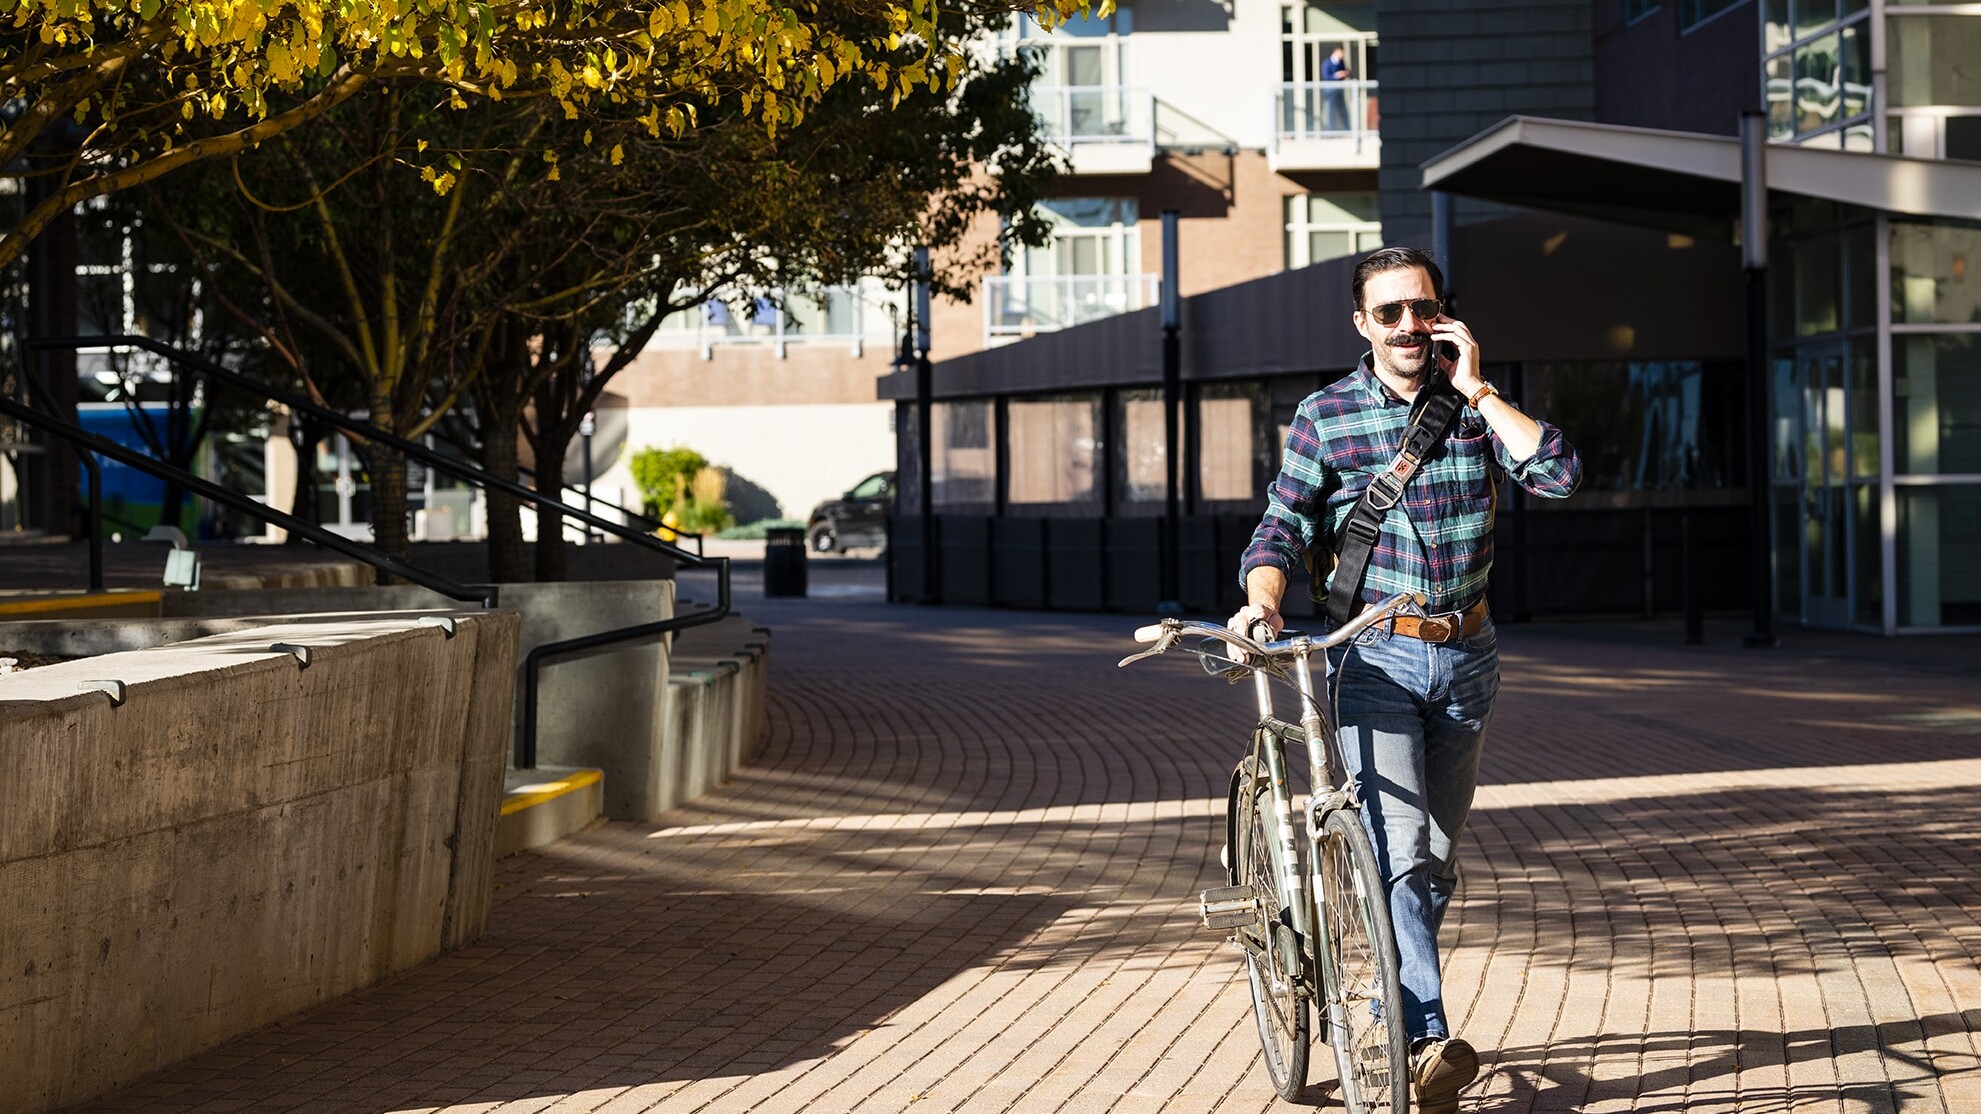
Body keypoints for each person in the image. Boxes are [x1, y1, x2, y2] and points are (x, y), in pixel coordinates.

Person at [1227, 246, 1580, 1114]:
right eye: (1388, 313)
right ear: (1362, 325)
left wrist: (1482, 391)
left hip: (1468, 657)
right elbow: (1278, 528)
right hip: (1371, 656)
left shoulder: (1468, 410)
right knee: (1403, 847)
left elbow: (1561, 477)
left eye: (1420, 309)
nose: (1407, 327)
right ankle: (1423, 1037)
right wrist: (1261, 604)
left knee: (1432, 857)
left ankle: (1392, 969)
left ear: (1443, 315)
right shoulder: (1326, 415)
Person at [1321, 45, 1352, 132]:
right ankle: (1330, 131)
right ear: (1336, 52)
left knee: (1343, 111)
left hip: (1339, 91)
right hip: (1330, 91)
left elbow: (1344, 73)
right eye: (1341, 52)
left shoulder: (1341, 62)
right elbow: (1326, 76)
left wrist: (1344, 74)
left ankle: (1347, 130)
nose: (1342, 55)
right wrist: (1336, 75)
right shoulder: (1327, 63)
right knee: (1331, 111)